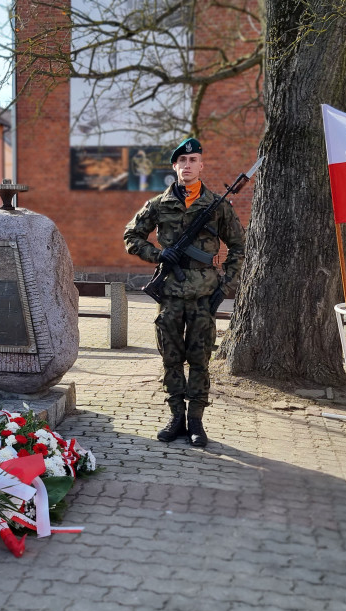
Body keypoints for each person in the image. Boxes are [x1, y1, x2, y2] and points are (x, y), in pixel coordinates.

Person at [123, 138, 245, 448]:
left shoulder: (217, 206)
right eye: (182, 160)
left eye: (193, 160)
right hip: (170, 295)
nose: (187, 165)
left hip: (205, 295)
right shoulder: (158, 205)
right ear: (175, 166)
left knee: (201, 360)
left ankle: (196, 422)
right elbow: (132, 235)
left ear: (201, 165)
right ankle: (176, 417)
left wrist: (226, 286)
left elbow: (238, 246)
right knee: (171, 359)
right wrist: (158, 255)